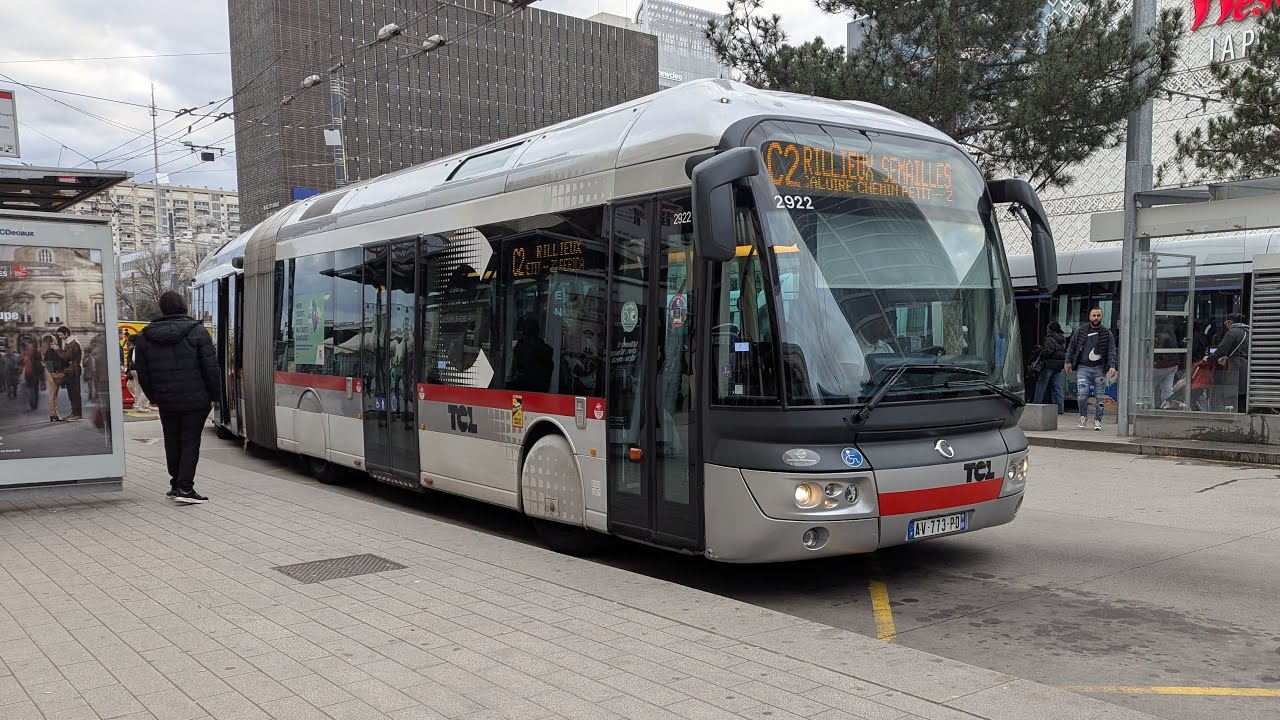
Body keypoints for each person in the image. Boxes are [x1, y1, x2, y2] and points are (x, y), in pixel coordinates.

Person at [132, 291, 220, 504]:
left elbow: (142, 372)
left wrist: (153, 395)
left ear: (162, 308)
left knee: (172, 440)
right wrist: (215, 395)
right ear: (183, 306)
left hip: (166, 399)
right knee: (190, 441)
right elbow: (210, 367)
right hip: (196, 398)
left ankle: (175, 483)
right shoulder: (198, 332)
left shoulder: (145, 336)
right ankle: (185, 488)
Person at [1064, 307, 1117, 431]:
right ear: (1090, 317)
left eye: (1098, 315)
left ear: (1102, 317)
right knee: (1082, 394)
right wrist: (1068, 361)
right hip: (1083, 368)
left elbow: (1111, 351)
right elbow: (1071, 346)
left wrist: (1113, 366)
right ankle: (1083, 416)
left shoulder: (1107, 333)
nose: (1096, 318)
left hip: (1099, 369)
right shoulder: (1081, 331)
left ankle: (1098, 420)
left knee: (1100, 397)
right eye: (1094, 315)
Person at [1207, 312, 1249, 413]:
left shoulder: (1232, 332)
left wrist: (1210, 358)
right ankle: (1243, 413)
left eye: (1226, 322)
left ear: (1230, 322)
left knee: (1233, 391)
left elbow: (1222, 349)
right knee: (1243, 393)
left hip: (1235, 365)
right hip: (1246, 364)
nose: (1226, 324)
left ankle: (1234, 414)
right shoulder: (1248, 331)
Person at [1032, 322, 1066, 414]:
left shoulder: (1049, 338)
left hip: (1049, 365)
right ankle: (1060, 408)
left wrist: (1041, 353)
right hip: (1058, 365)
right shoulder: (1062, 339)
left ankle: (1036, 405)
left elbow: (1049, 351)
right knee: (1057, 386)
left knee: (1041, 384)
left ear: (1050, 329)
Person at [57, 326, 83, 422]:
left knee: (75, 394)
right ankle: (74, 413)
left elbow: (65, 357)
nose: (60, 337)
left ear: (66, 334)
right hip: (71, 371)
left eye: (60, 335)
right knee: (72, 394)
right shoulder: (70, 343)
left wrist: (57, 349)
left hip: (73, 372)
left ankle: (77, 414)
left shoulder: (73, 344)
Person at [42, 335, 67, 422]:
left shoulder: (51, 349)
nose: (56, 339)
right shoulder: (50, 350)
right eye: (54, 339)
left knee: (54, 394)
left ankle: (53, 414)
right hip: (52, 372)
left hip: (51, 372)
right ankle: (53, 414)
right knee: (53, 394)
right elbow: (48, 363)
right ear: (51, 341)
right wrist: (53, 373)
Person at [20, 341, 43, 411]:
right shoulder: (35, 353)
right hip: (33, 374)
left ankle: (33, 405)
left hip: (30, 374)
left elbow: (21, 363)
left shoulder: (26, 353)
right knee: (34, 390)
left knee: (31, 390)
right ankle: (34, 405)